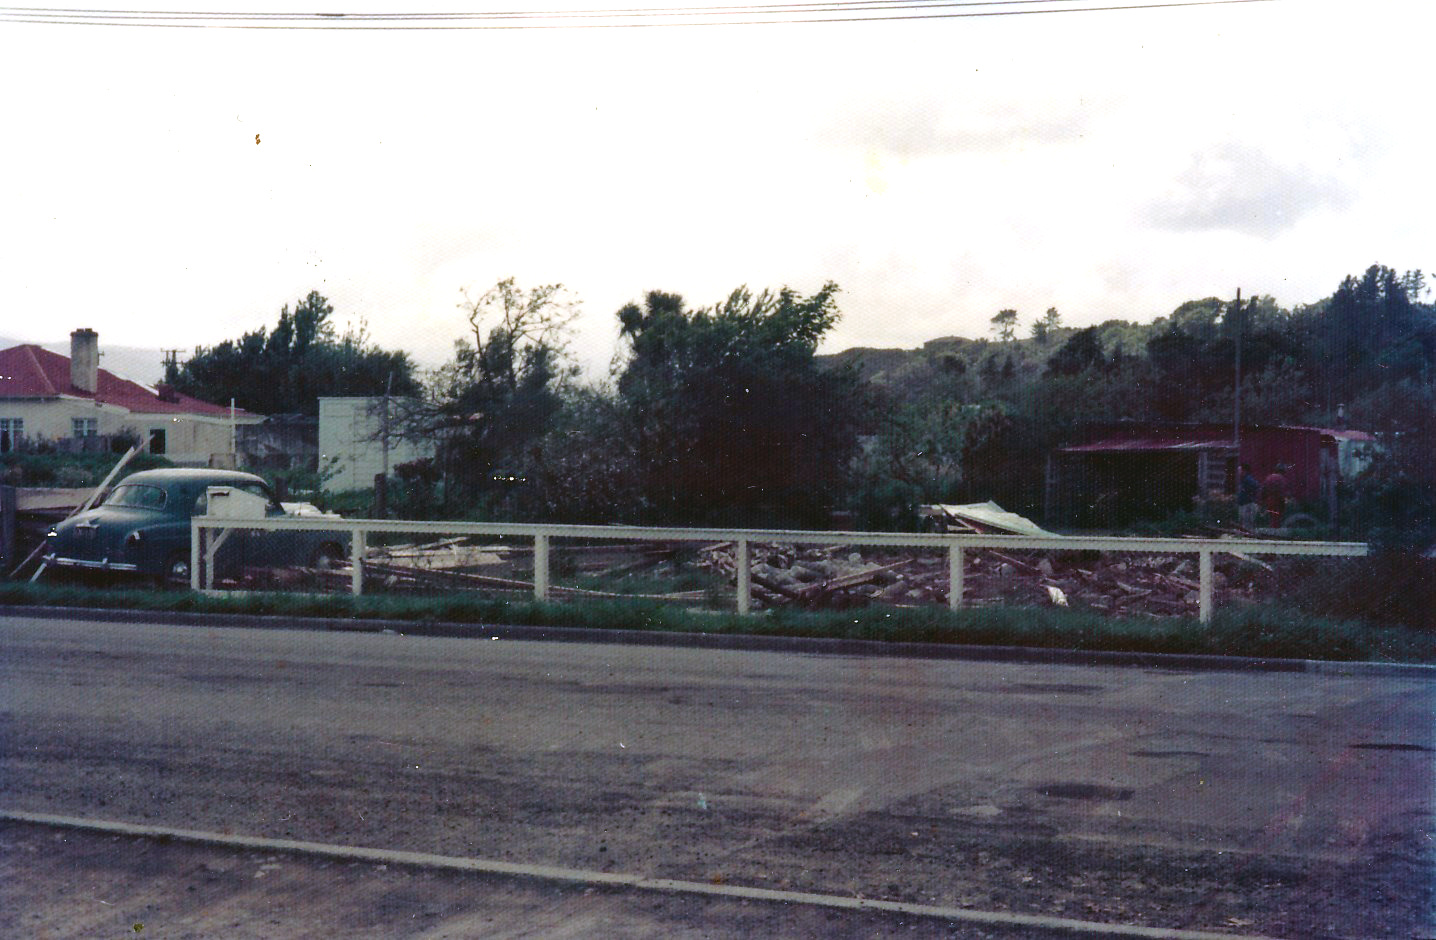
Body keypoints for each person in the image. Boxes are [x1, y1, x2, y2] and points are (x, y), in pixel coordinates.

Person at [1261, 463, 1289, 528]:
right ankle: (1275, 533)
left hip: (1269, 501)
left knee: (1272, 516)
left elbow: (1263, 490)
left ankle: (1271, 530)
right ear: (1283, 471)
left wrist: (1263, 501)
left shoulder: (1269, 477)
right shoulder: (1282, 479)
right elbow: (1284, 491)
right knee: (1277, 518)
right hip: (1278, 501)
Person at [1236, 463, 1261, 530]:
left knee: (1247, 524)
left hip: (1247, 505)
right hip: (1244, 504)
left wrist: (1250, 497)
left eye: (1240, 470)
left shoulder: (1248, 479)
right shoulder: (1243, 480)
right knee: (1244, 523)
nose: (1238, 472)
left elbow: (1256, 487)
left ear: (1244, 471)